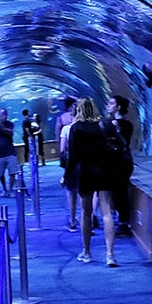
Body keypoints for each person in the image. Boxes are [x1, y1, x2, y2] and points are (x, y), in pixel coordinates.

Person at [66, 98, 119, 266]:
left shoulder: (76, 128)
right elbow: (118, 144)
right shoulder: (104, 125)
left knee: (86, 213)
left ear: (79, 110)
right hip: (104, 171)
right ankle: (110, 254)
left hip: (86, 173)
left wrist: (66, 176)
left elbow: (73, 157)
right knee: (107, 213)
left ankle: (87, 252)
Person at [105, 94, 135, 232]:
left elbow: (118, 142)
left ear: (118, 107)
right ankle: (123, 220)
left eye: (111, 104)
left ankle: (124, 222)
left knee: (119, 192)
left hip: (118, 162)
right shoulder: (127, 124)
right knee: (120, 191)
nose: (108, 106)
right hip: (123, 161)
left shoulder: (116, 124)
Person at [56, 97, 80, 231]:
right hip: (87, 165)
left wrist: (65, 172)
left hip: (72, 164)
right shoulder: (88, 127)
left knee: (71, 193)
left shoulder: (66, 129)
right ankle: (88, 221)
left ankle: (72, 220)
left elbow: (63, 150)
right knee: (86, 194)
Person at [0, 109, 20, 196]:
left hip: (10, 152)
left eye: (4, 115)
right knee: (0, 173)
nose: (3, 117)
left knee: (12, 172)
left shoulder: (10, 124)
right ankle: (4, 189)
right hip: (0, 154)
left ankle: (10, 190)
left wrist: (1, 126)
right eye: (1, 115)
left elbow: (10, 133)